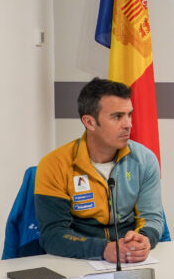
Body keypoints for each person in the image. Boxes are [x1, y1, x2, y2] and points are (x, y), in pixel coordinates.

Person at [35, 78, 165, 262]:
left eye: (129, 115)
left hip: (130, 257)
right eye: (117, 116)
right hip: (78, 259)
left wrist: (143, 239)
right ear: (89, 122)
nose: (128, 124)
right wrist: (104, 249)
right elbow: (53, 234)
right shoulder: (54, 164)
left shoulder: (144, 159)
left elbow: (152, 218)